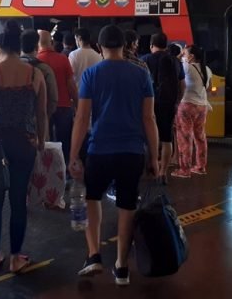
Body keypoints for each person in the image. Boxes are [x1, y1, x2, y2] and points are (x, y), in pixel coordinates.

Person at [69, 24, 160, 286]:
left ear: (100, 47)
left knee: (92, 198)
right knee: (126, 207)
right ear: (125, 45)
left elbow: (83, 117)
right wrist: (154, 157)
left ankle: (94, 255)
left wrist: (74, 154)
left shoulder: (91, 75)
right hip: (132, 152)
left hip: (99, 150)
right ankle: (121, 266)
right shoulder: (141, 74)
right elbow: (149, 117)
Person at [0, 21, 48, 273]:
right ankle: (16, 257)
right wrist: (41, 142)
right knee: (18, 201)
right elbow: (42, 114)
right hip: (25, 143)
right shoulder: (35, 74)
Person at [142, 33, 184, 182]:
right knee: (167, 139)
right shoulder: (175, 61)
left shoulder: (145, 60)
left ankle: (150, 167)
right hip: (168, 104)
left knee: (148, 137)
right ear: (165, 45)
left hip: (148, 105)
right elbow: (182, 85)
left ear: (151, 45)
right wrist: (177, 100)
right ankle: (163, 173)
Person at [38, 30, 78, 168]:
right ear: (52, 42)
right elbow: (71, 85)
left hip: (42, 109)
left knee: (45, 141)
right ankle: (64, 168)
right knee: (64, 141)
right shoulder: (62, 59)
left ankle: (46, 169)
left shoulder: (35, 61)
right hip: (63, 106)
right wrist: (77, 104)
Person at [172, 45, 212, 178]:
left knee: (185, 137)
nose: (184, 55)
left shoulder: (187, 67)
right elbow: (208, 88)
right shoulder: (207, 69)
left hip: (187, 105)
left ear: (192, 56)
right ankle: (200, 167)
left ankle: (184, 169)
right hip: (202, 107)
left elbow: (174, 62)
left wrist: (180, 55)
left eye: (185, 53)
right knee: (200, 137)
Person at [20, 29, 58, 119]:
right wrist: (44, 117)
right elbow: (53, 98)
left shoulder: (10, 67)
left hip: (13, 122)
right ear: (37, 47)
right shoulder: (44, 69)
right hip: (36, 122)